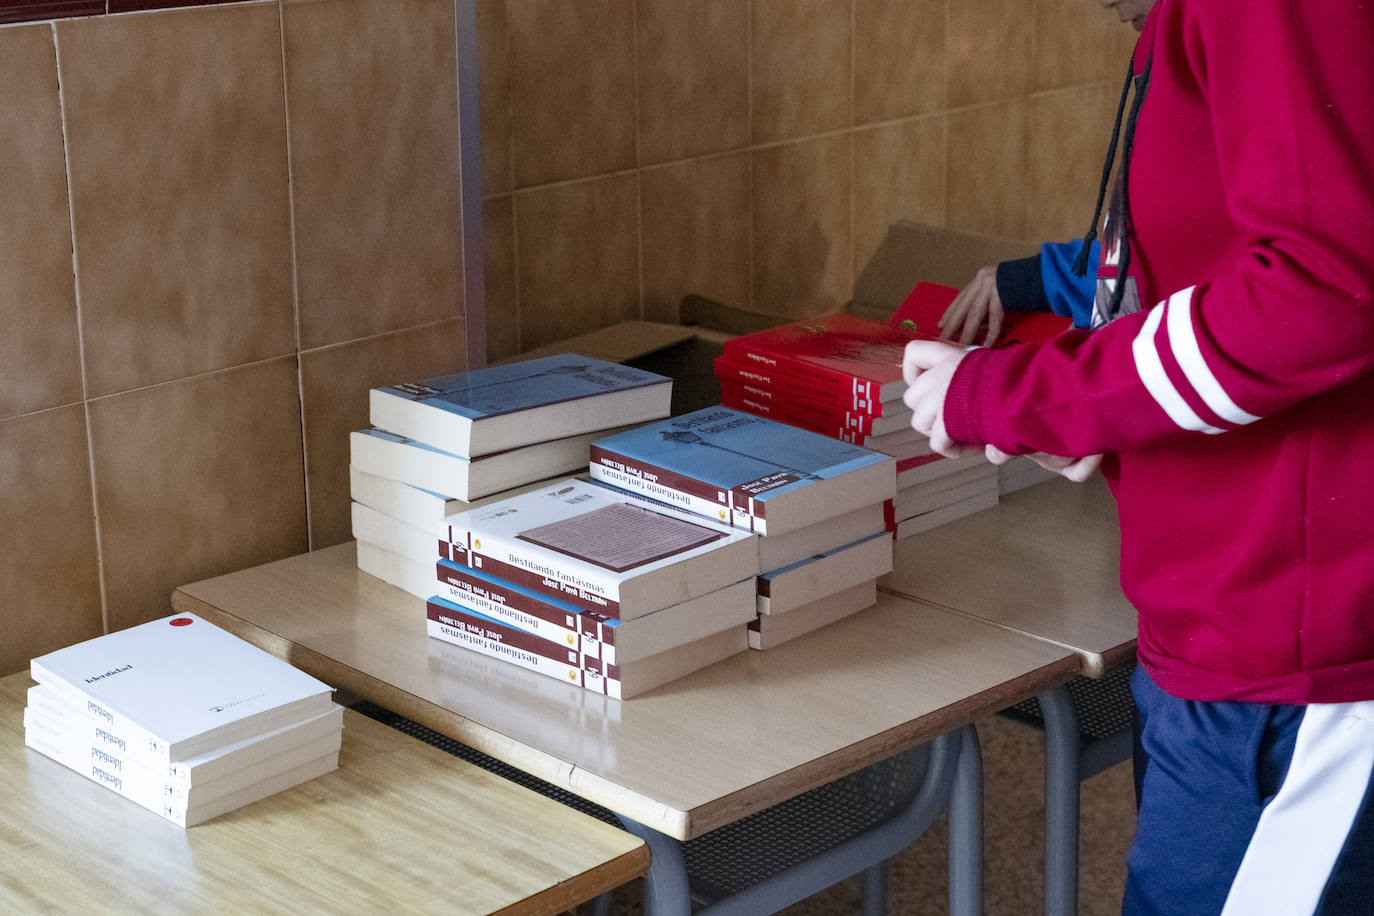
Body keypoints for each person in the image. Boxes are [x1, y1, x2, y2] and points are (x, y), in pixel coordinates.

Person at [903, 1, 1374, 913]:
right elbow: (1200, 262)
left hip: (1295, 649)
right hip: (1220, 620)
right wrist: (1092, 413)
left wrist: (1032, 397)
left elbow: (1324, 287)